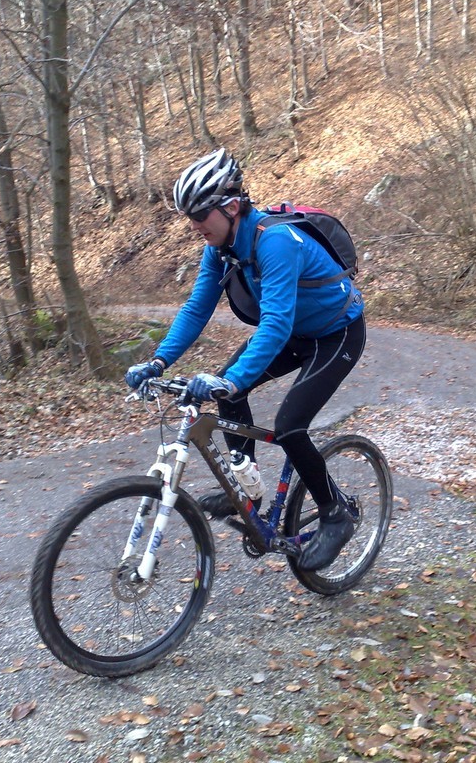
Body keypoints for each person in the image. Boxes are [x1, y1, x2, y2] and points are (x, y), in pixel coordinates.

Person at [124, 148, 366, 571]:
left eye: (200, 214)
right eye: (189, 216)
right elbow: (197, 309)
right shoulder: (219, 248)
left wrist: (232, 380)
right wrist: (158, 362)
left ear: (231, 206)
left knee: (289, 425)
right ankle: (247, 489)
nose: (194, 225)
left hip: (335, 334)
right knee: (229, 393)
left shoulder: (275, 242)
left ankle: (335, 514)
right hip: (294, 333)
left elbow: (274, 323)